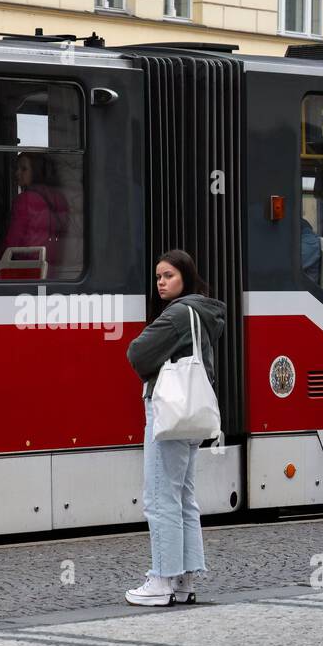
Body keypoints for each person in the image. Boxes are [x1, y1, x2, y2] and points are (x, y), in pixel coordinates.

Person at [123, 250, 226, 607]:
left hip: (168, 413)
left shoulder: (179, 314)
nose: (161, 283)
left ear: (185, 276)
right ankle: (183, 579)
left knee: (159, 496)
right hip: (191, 414)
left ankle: (161, 579)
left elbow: (137, 353)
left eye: (168, 276)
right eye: (158, 277)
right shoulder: (202, 314)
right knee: (182, 496)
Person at [0, 153, 68, 267]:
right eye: (17, 168)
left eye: (24, 169)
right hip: (52, 268)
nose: (17, 173)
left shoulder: (24, 199)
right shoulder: (60, 199)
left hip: (26, 268)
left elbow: (12, 240)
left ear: (35, 171)